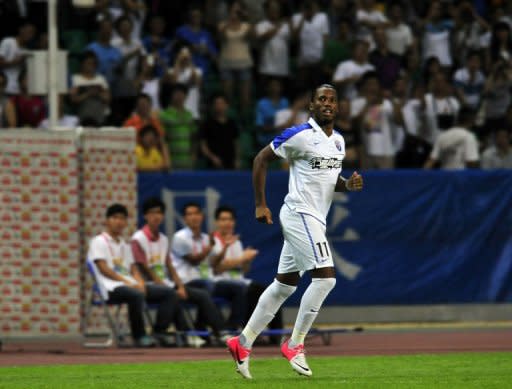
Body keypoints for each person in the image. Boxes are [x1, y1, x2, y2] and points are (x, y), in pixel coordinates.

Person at [227, 84, 364, 379]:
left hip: (315, 218)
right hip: (299, 214)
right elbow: (260, 159)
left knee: (284, 286)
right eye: (321, 99)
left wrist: (346, 184)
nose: (327, 104)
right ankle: (295, 343)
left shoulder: (338, 142)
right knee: (325, 279)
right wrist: (260, 204)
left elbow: (328, 178)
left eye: (332, 100)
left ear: (337, 107)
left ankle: (242, 342)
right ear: (312, 106)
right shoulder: (299, 134)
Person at [131, 198, 228, 346]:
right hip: (147, 284)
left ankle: (220, 332)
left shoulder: (163, 238)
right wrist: (162, 284)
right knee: (171, 294)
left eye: (159, 213)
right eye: (152, 213)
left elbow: (169, 265)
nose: (156, 216)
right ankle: (165, 332)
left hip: (166, 283)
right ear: (145, 216)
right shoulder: (138, 238)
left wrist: (179, 285)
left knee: (201, 295)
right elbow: (142, 266)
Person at [87, 203, 176, 347]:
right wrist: (127, 282)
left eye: (122, 218)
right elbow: (104, 269)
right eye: (115, 218)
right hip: (110, 287)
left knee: (169, 293)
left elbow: (133, 268)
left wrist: (140, 282)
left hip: (129, 284)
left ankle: (160, 331)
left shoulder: (124, 244)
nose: (119, 222)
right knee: (136, 294)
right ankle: (139, 336)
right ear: (107, 220)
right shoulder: (98, 241)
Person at [211, 206, 283, 343]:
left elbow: (243, 271)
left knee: (272, 292)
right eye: (223, 219)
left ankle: (276, 335)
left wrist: (246, 262)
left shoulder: (236, 242)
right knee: (247, 291)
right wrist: (242, 258)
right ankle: (244, 330)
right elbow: (217, 268)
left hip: (239, 281)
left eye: (230, 219)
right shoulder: (212, 241)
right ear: (216, 222)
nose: (227, 223)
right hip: (220, 282)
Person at [171, 202, 248, 331]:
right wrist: (210, 247)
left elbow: (214, 262)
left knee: (239, 289)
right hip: (187, 282)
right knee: (207, 287)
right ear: (184, 219)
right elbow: (194, 261)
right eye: (189, 214)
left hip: (207, 281)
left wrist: (225, 248)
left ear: (202, 216)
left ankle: (232, 327)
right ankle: (218, 329)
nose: (194, 217)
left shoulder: (206, 238)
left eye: (196, 213)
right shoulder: (179, 238)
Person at [159, 84, 197, 170]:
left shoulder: (189, 115)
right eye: (176, 94)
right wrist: (165, 160)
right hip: (171, 163)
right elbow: (161, 139)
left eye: (182, 94)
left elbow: (194, 138)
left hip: (187, 163)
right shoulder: (164, 115)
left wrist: (193, 156)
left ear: (186, 96)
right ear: (171, 96)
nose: (179, 96)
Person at [199, 94, 240, 170]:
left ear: (227, 105)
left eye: (222, 103)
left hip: (230, 164)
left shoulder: (232, 123)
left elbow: (236, 143)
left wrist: (237, 159)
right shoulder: (207, 124)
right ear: (212, 106)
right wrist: (212, 158)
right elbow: (203, 145)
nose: (219, 106)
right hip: (212, 165)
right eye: (216, 103)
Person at [70, 51, 111, 126]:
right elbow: (73, 99)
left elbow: (107, 98)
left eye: (93, 64)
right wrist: (88, 94)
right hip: (83, 115)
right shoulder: (75, 79)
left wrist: (97, 94)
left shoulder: (101, 79)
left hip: (100, 116)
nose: (91, 66)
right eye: (88, 63)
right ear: (82, 64)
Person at [0, 21, 35, 95]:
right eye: (28, 31)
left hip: (18, 90)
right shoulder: (8, 42)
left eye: (32, 33)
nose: (30, 35)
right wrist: (16, 61)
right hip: (5, 88)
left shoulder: (26, 50)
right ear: (21, 30)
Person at [86, 18, 122, 87]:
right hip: (94, 85)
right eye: (104, 28)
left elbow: (119, 72)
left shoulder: (117, 52)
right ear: (99, 30)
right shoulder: (91, 49)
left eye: (109, 28)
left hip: (113, 86)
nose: (107, 31)